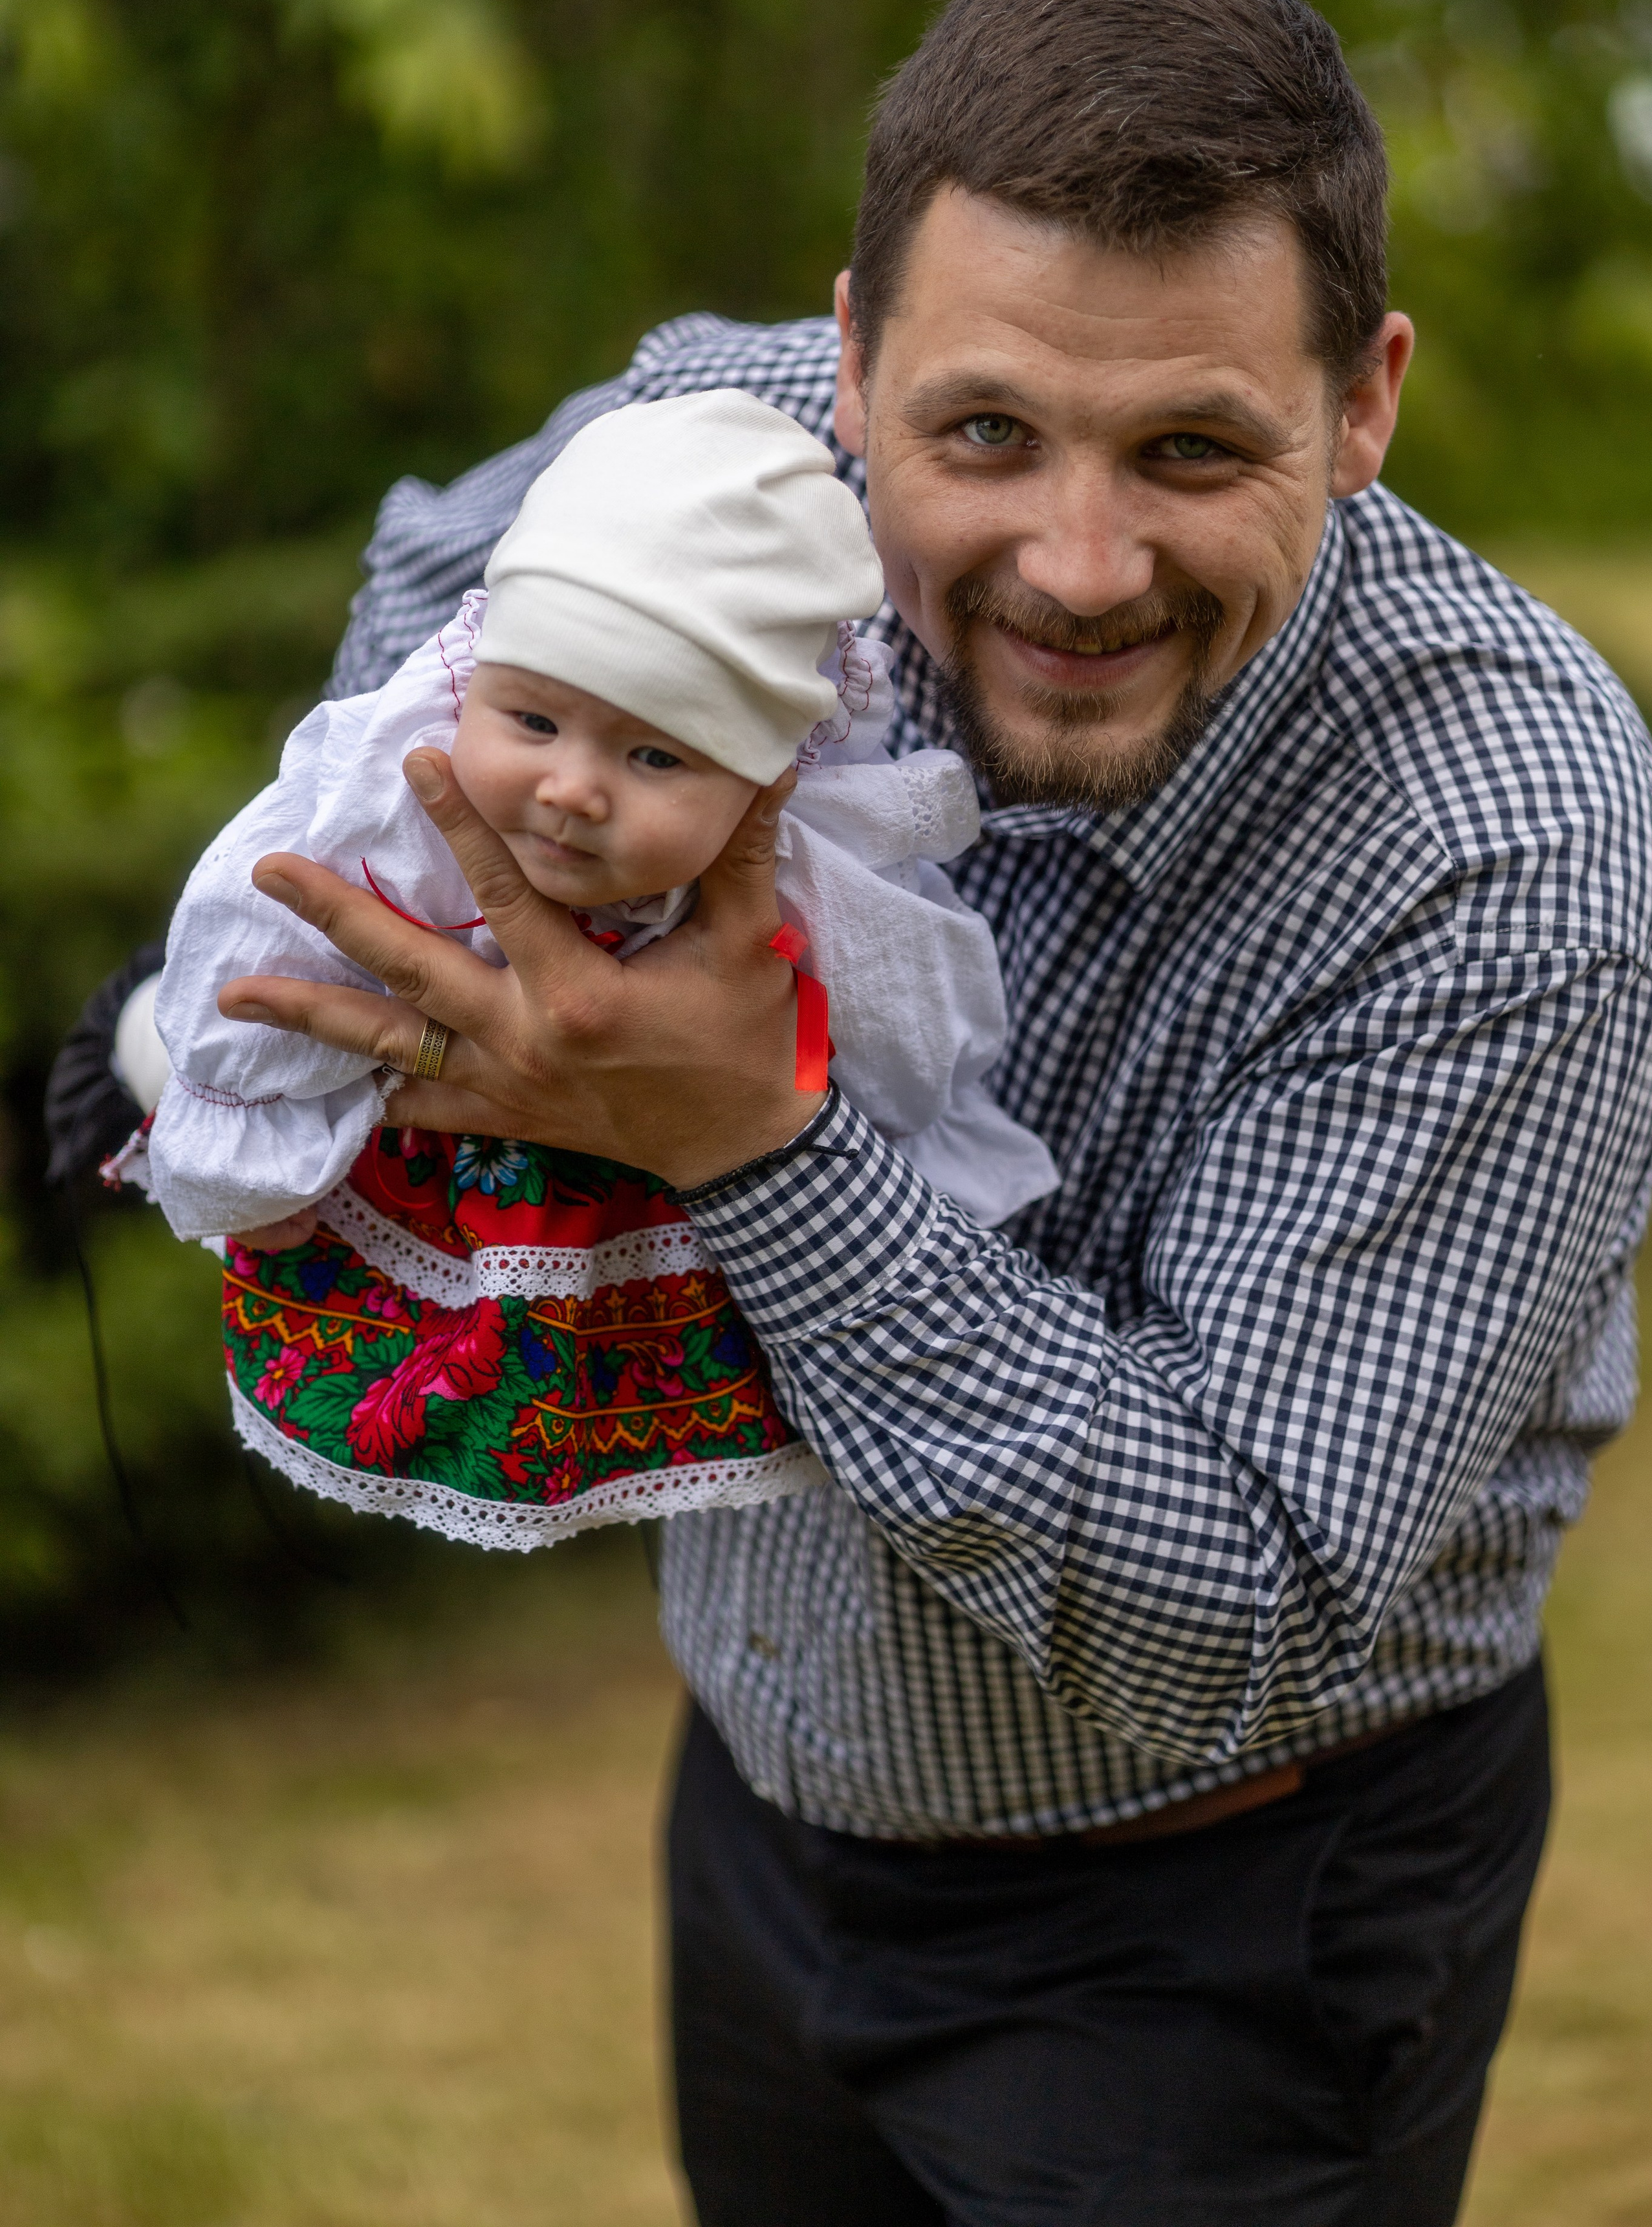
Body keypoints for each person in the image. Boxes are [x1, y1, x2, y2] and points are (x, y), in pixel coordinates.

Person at [55, 0, 1652, 2222]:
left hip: (1226, 1928)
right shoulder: (724, 434)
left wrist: (735, 1133)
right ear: (851, 357)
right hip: (765, 1781)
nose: (1075, 564)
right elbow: (439, 576)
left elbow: (1242, 1596)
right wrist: (434, 895)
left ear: (1369, 397)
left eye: (1193, 448)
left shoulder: (1511, 841)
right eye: (980, 433)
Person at [114, 391, 1054, 1546]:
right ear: (476, 677)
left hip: (675, 1214)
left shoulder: (801, 879)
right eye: (535, 722)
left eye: (656, 754)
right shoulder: (401, 791)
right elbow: (255, 941)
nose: (571, 790)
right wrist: (241, 1142)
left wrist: (793, 1066)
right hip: (417, 1166)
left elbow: (904, 1028)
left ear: (762, 785)